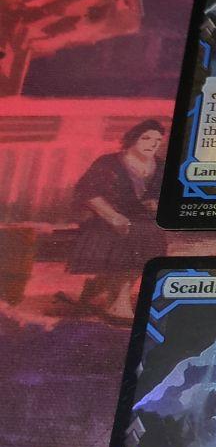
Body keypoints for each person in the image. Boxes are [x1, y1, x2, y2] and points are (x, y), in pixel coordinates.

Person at [66, 119, 165, 322]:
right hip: (105, 219)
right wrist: (113, 217)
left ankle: (97, 289)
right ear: (132, 139)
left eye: (157, 140)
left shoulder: (161, 166)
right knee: (133, 235)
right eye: (146, 138)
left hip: (143, 222)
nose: (152, 144)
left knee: (149, 234)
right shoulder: (109, 162)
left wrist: (157, 204)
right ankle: (118, 303)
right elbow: (88, 193)